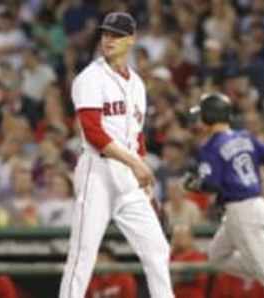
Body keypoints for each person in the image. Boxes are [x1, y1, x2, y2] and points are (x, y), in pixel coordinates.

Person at [59, 12, 174, 298]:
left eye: (116, 35)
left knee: (157, 249)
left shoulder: (136, 83)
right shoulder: (90, 78)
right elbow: (94, 134)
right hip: (96, 173)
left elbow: (136, 136)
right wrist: (136, 164)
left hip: (128, 177)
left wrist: (146, 185)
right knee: (82, 255)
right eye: (105, 34)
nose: (108, 39)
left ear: (131, 40)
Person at [184, 93, 264, 297]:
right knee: (217, 256)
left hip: (242, 210)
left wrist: (193, 184)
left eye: (202, 115)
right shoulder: (245, 136)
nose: (199, 119)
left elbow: (211, 184)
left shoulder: (211, 146)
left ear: (208, 117)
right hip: (248, 207)